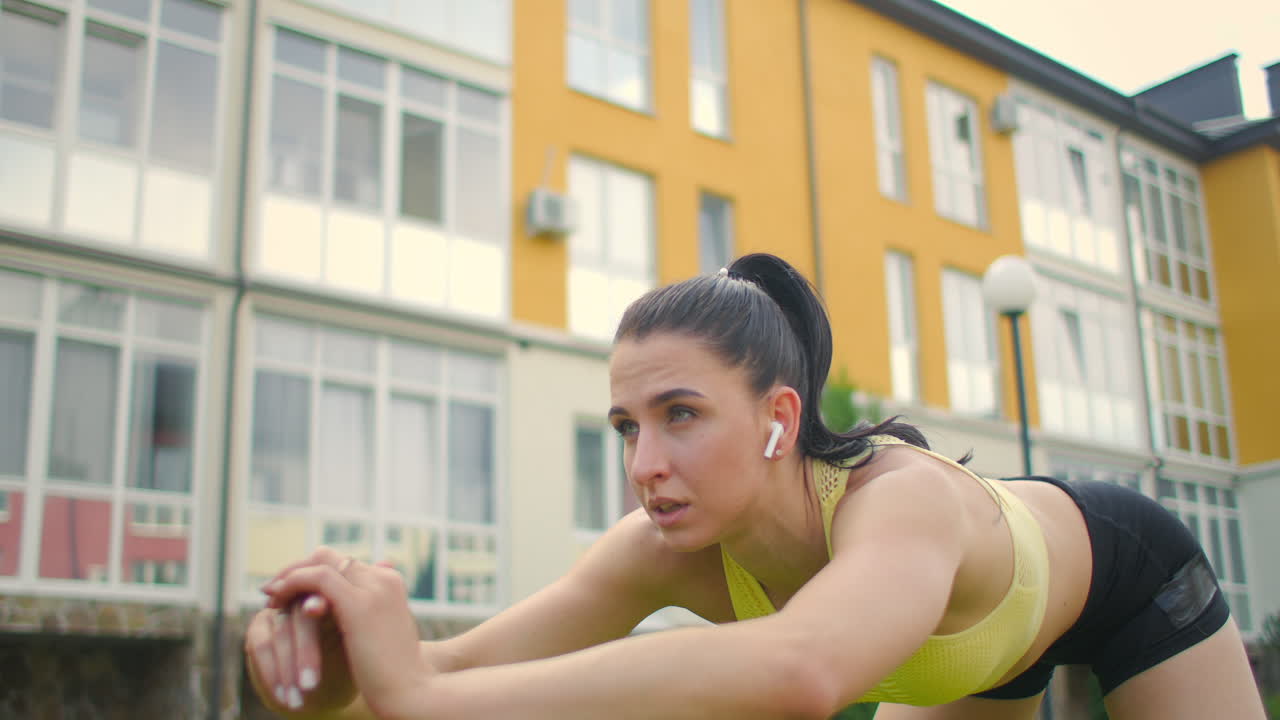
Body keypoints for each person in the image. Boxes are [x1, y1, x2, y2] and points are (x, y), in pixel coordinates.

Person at [245, 253, 1264, 719]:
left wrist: (422, 699)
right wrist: (322, 664)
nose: (645, 465)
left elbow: (801, 671)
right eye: (625, 427)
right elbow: (449, 668)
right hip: (965, 667)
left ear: (779, 419)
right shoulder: (660, 550)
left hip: (1126, 581)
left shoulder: (897, 499)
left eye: (679, 416)